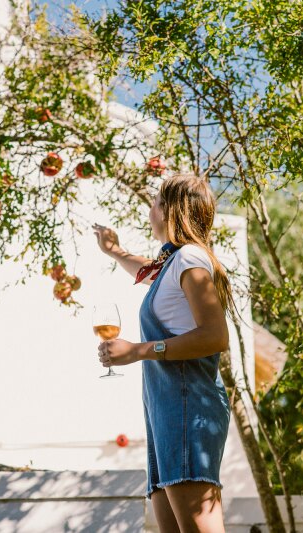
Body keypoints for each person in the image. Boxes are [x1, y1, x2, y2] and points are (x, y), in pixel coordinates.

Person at [92, 174, 236, 533]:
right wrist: (114, 250)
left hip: (187, 408)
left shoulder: (189, 258)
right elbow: (148, 272)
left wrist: (138, 350)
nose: (151, 208)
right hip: (165, 412)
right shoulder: (174, 262)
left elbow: (216, 336)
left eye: (157, 201)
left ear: (173, 211)